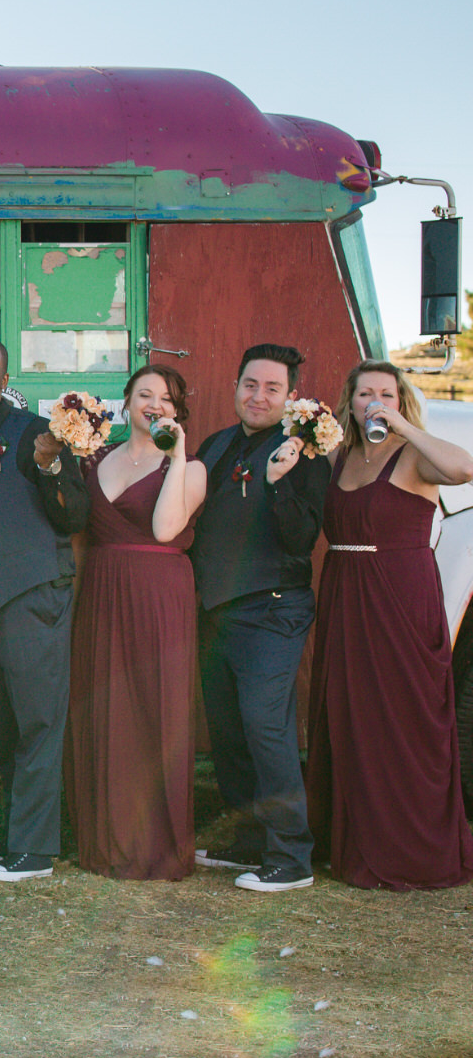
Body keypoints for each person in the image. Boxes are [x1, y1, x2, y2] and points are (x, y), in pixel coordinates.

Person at [306, 360, 473, 889]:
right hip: (344, 592)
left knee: (402, 719)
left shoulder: (414, 455)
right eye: (365, 394)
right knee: (351, 715)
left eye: (387, 393)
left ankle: (406, 848)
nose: (375, 401)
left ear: (400, 401)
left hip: (399, 597)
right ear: (349, 402)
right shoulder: (339, 454)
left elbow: (465, 469)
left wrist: (404, 428)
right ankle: (351, 841)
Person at [188, 343, 331, 893]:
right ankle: (248, 839)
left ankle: (291, 857)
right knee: (226, 731)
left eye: (273, 388)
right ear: (235, 387)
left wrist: (277, 483)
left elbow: (301, 538)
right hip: (216, 610)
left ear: (290, 396)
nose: (259, 396)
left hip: (272, 609)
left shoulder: (305, 449)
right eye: (251, 384)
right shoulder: (217, 444)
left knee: (265, 728)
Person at [0, 336, 89, 882]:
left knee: (37, 722)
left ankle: (34, 851)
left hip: (33, 595)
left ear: (5, 379)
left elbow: (74, 515)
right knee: (5, 726)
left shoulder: (36, 433)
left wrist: (52, 467)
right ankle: (17, 833)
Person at [67, 365, 202, 880]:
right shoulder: (94, 459)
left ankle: (157, 844)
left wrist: (177, 454)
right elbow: (80, 538)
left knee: (154, 709)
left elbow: (168, 528)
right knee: (106, 712)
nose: (154, 403)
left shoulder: (193, 468)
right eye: (144, 394)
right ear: (125, 403)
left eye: (166, 398)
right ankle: (107, 840)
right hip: (101, 591)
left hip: (158, 593)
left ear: (177, 411)